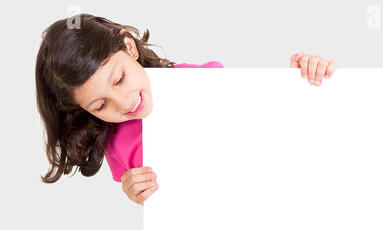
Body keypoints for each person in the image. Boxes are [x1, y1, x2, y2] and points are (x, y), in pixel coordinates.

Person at [35, 13, 339, 205]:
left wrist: (300, 83)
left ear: (129, 47)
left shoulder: (201, 81)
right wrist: (135, 193)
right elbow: (166, 202)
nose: (125, 103)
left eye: (120, 79)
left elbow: (268, 125)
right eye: (101, 105)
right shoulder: (116, 146)